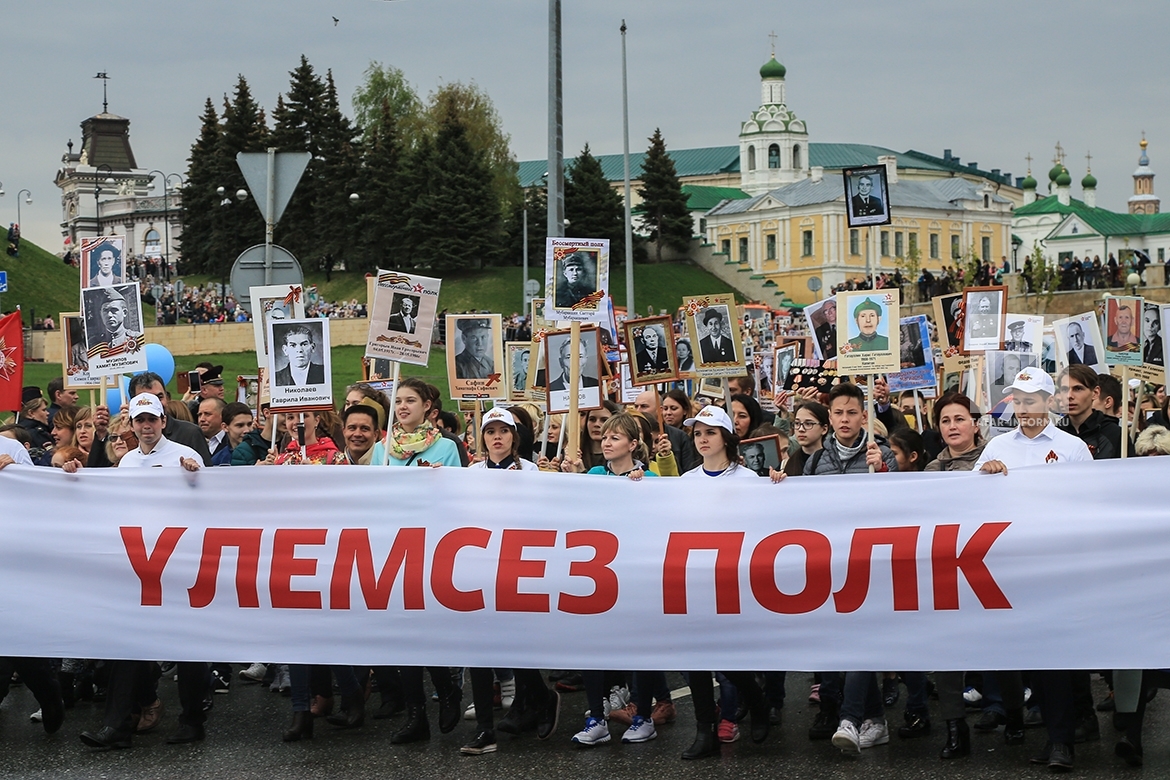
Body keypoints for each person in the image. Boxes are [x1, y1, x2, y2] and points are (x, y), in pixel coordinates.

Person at [973, 368, 1091, 773]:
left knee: (1054, 656)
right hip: (1008, 567)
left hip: (1054, 567)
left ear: (1049, 402)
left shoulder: (1073, 448)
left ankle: (1062, 741)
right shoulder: (995, 447)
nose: (1022, 409)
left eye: (1030, 400)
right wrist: (986, 480)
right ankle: (1052, 728)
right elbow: (969, 504)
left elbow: (1088, 505)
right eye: (1017, 401)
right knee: (1026, 655)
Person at [77, 393, 206, 750]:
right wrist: (74, 478)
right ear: (131, 425)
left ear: (163, 421)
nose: (146, 426)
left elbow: (210, 506)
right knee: (127, 643)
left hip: (179, 564)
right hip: (140, 566)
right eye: (140, 421)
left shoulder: (186, 455)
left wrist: (196, 478)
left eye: (152, 419)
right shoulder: (128, 462)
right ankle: (116, 727)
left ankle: (193, 718)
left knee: (187, 647)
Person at [1055, 365, 1122, 459]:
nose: (1069, 395)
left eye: (1078, 389)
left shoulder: (1115, 434)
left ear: (1095, 393)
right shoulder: (1055, 433)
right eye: (1065, 389)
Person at [89, 288, 143, 355]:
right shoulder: (94, 342)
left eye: (114, 310)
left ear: (124, 312)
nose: (109, 315)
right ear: (101, 314)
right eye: (105, 310)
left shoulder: (137, 337)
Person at [784, 401, 828, 477]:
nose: (801, 429)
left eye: (808, 424)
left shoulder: (833, 461)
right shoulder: (789, 463)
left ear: (824, 429)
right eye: (797, 423)